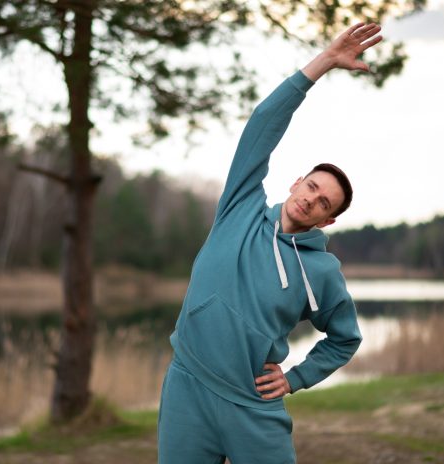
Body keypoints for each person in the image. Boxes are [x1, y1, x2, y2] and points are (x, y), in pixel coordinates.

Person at [157, 22, 383, 464]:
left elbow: (344, 338)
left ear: (328, 219)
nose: (311, 199)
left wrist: (295, 378)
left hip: (253, 406)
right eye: (311, 186)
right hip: (188, 386)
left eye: (323, 202)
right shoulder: (240, 206)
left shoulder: (321, 271)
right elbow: (263, 123)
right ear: (297, 181)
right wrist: (323, 63)